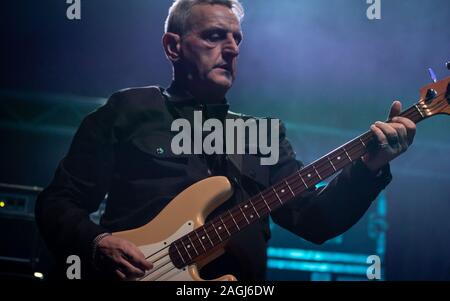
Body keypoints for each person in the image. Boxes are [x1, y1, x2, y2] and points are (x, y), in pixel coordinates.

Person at [35, 0, 416, 281]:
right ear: (173, 46)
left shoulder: (262, 135)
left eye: (236, 39)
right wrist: (97, 242)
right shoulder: (129, 110)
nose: (232, 49)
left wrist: (368, 168)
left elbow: (315, 221)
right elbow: (57, 202)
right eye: (215, 36)